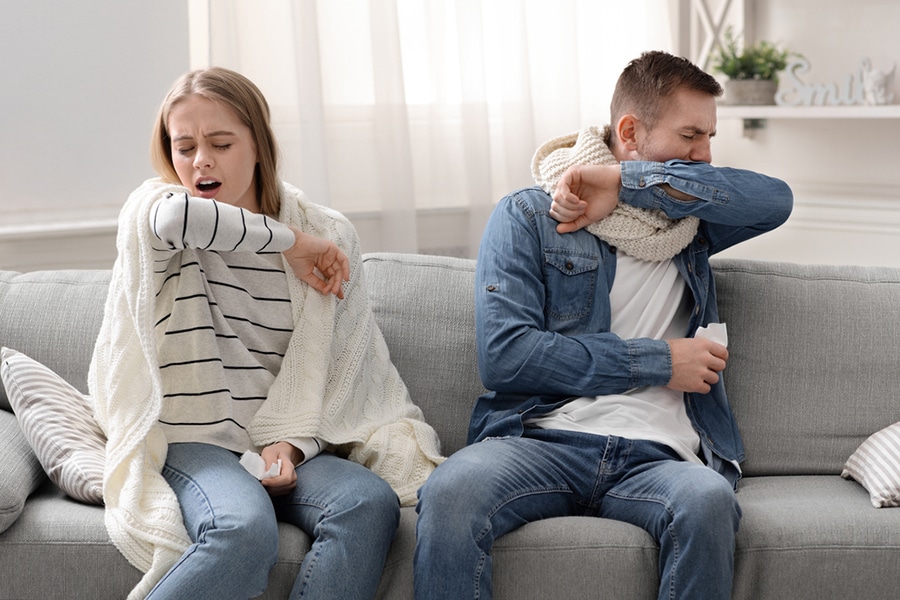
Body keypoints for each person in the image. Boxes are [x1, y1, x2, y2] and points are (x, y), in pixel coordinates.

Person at [413, 51, 793, 600]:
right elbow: (507, 355)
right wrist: (660, 361)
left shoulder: (692, 224)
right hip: (542, 438)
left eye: (710, 136)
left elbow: (775, 201)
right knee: (451, 492)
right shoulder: (529, 216)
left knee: (708, 502)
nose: (705, 156)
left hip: (661, 455)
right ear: (630, 130)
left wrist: (624, 180)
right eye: (691, 135)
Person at [89, 67, 443, 600]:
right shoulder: (159, 215)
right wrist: (290, 243)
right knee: (242, 528)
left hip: (275, 442)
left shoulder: (330, 235)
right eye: (183, 147)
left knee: (368, 504)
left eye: (220, 143)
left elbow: (339, 378)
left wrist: (292, 447)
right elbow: (175, 219)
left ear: (258, 143)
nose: (200, 160)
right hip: (194, 439)